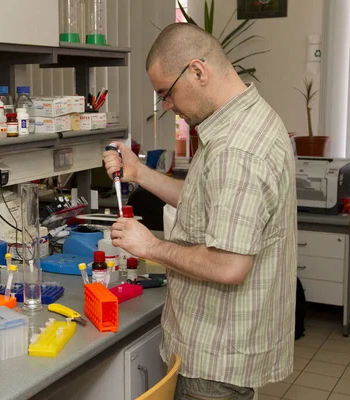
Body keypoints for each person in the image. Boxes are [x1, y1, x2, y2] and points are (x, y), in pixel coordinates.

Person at [104, 23, 296, 400]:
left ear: (197, 71)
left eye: (166, 94)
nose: (168, 106)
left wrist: (151, 247)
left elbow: (229, 265)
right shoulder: (246, 119)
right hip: (224, 348)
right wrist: (139, 173)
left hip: (213, 361)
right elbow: (203, 200)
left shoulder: (235, 150)